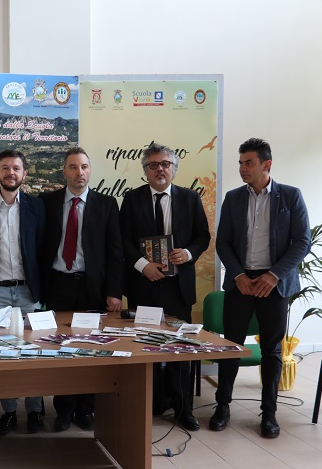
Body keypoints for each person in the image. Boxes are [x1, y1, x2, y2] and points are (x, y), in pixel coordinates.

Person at [211, 137, 310, 438]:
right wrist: (238, 275)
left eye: (249, 163)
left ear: (267, 164)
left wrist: (274, 275)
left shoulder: (290, 196)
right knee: (230, 347)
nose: (243, 168)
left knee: (271, 350)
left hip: (274, 284)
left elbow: (302, 242)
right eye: (240, 163)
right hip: (240, 282)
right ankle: (222, 406)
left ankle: (269, 414)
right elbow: (223, 242)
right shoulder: (233, 198)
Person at [120, 142, 210, 431]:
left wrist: (189, 253)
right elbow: (123, 239)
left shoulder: (190, 198)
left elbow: (203, 236)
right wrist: (142, 265)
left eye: (165, 164)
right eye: (154, 165)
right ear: (145, 170)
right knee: (144, 347)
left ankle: (183, 409)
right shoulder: (131, 199)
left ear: (174, 168)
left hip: (178, 287)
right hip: (144, 285)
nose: (160, 169)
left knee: (179, 350)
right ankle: (149, 403)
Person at [39, 147, 123, 432]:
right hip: (58, 284)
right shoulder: (47, 202)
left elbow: (115, 252)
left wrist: (114, 291)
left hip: (92, 287)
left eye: (84, 167)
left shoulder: (107, 204)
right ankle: (64, 409)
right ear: (64, 171)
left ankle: (86, 408)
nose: (79, 173)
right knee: (61, 348)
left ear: (90, 171)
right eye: (73, 167)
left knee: (89, 347)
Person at [0, 149, 46, 436]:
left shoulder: (37, 206)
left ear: (24, 173)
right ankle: (10, 412)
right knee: (3, 354)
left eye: (16, 168)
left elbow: (43, 246)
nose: (10, 173)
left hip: (28, 291)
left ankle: (35, 411)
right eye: (5, 168)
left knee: (32, 353)